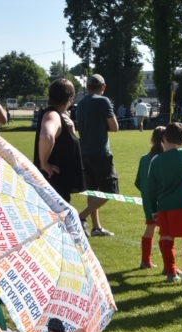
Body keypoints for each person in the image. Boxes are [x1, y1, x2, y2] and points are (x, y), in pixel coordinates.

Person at [143, 122, 182, 283]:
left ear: (164, 138)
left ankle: (171, 273)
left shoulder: (155, 160)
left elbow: (150, 189)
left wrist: (154, 209)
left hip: (163, 206)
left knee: (166, 238)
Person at [75, 74, 120, 237]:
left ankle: (96, 227)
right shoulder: (103, 101)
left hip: (84, 152)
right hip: (101, 152)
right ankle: (81, 216)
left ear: (87, 87)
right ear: (103, 87)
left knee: (93, 191)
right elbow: (114, 127)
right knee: (111, 191)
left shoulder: (81, 104)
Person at [34, 78, 85, 202]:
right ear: (70, 98)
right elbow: (46, 136)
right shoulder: (52, 115)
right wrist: (44, 163)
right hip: (54, 183)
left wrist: (70, 128)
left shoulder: (59, 116)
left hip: (60, 184)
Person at [134, 126, 166, 270]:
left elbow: (138, 182)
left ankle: (145, 261)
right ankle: (169, 266)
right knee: (166, 232)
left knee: (150, 227)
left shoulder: (144, 158)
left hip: (147, 201)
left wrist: (147, 195)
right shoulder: (162, 159)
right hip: (160, 201)